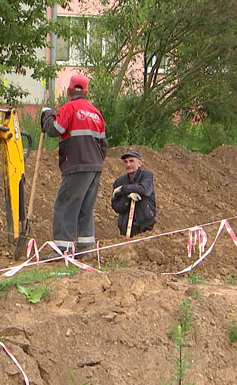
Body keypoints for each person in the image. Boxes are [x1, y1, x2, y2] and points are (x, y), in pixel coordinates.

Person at [40, 74, 107, 258]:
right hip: (95, 166)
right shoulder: (95, 113)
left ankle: (62, 249)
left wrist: (48, 115)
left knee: (65, 205)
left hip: (76, 164)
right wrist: (96, 162)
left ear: (69, 90)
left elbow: (55, 129)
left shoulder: (69, 107)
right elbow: (103, 145)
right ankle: (86, 248)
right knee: (85, 207)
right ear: (86, 91)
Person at [111, 151, 156, 237]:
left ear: (139, 163)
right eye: (126, 162)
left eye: (131, 161)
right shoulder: (119, 181)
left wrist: (123, 189)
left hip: (145, 224)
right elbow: (116, 206)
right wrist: (127, 198)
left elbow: (143, 189)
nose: (128, 164)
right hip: (126, 226)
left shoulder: (147, 175)